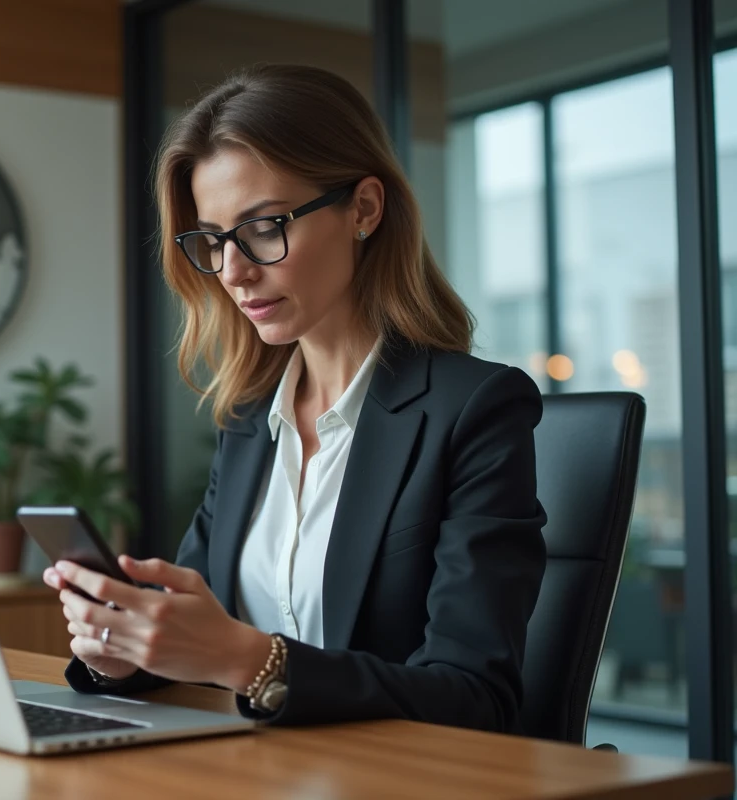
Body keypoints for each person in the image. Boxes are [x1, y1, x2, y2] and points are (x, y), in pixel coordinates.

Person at [42, 64, 547, 734]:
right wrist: (123, 648)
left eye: (264, 227)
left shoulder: (475, 409)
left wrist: (254, 660)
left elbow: (473, 698)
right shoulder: (253, 419)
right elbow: (198, 636)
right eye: (214, 241)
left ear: (364, 209)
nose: (234, 271)